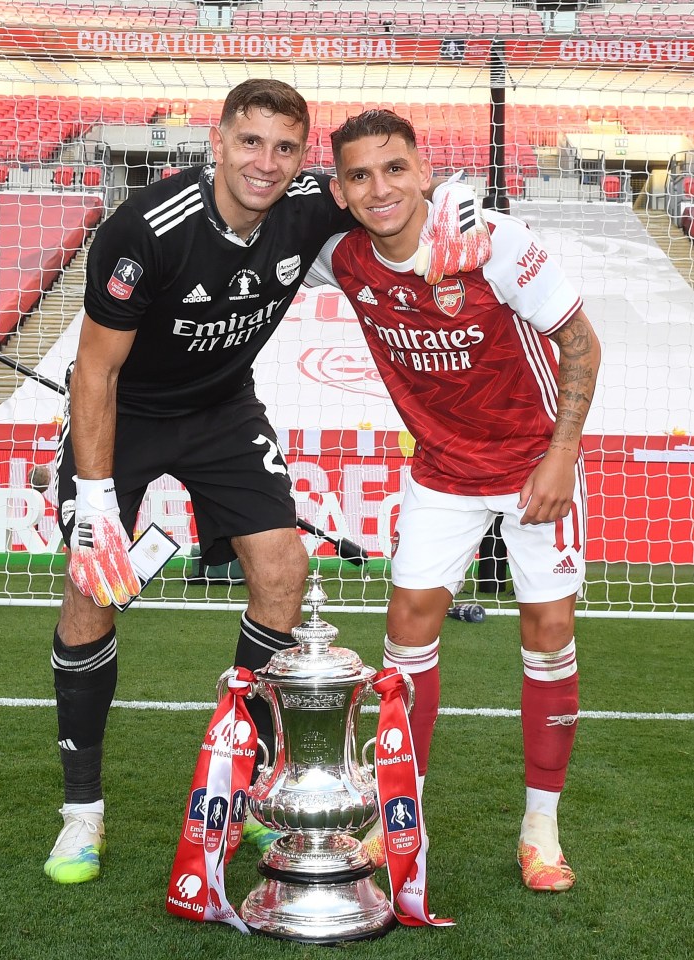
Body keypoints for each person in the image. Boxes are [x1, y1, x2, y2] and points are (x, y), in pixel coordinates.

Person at [44, 80, 490, 884]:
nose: (266, 163)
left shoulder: (312, 202)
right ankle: (82, 814)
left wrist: (459, 198)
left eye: (285, 148)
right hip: (127, 413)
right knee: (92, 591)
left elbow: (394, 192)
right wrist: (98, 505)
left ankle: (243, 787)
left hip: (222, 410)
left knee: (284, 573)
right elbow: (96, 374)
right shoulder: (142, 229)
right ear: (217, 142)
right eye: (250, 143)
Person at [305, 109, 601, 893]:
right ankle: (399, 816)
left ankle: (539, 826)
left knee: (547, 636)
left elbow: (580, 342)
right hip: (440, 472)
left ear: (425, 171)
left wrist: (562, 455)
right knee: (404, 634)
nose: (380, 188)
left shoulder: (493, 242)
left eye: (394, 168)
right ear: (340, 190)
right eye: (360, 176)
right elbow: (262, 218)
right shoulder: (338, 255)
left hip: (534, 467)